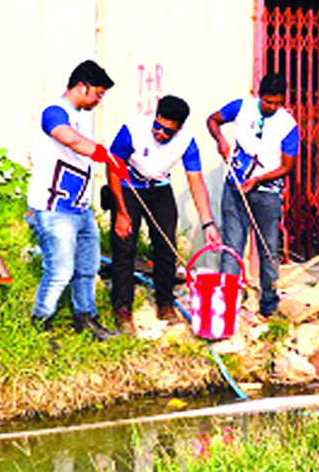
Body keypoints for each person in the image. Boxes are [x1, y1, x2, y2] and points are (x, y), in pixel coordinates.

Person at [25, 60, 128, 340]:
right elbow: (67, 138)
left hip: (80, 209)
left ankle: (86, 320)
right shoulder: (54, 111)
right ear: (82, 86)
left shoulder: (79, 116)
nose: (99, 99)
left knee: (87, 268)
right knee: (59, 271)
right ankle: (39, 325)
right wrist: (105, 155)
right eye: (98, 93)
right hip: (53, 209)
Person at [107, 95, 222, 333]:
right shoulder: (133, 129)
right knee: (124, 246)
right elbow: (113, 167)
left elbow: (196, 183)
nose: (160, 133)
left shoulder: (186, 142)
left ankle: (165, 304)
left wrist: (208, 224)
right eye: (157, 126)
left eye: (167, 131)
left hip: (159, 190)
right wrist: (120, 211)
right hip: (128, 189)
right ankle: (123, 309)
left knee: (166, 248)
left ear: (178, 129)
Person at [206, 73, 300, 318]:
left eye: (276, 103)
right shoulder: (242, 107)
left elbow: (287, 167)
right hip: (235, 187)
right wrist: (220, 140)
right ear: (259, 95)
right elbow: (213, 120)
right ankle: (227, 304)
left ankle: (269, 302)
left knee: (268, 248)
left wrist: (257, 180)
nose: (271, 107)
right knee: (232, 245)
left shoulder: (288, 125)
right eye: (267, 101)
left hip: (267, 193)